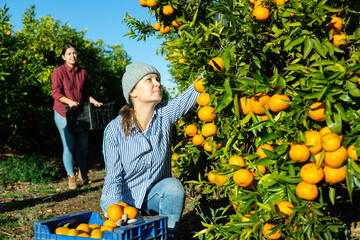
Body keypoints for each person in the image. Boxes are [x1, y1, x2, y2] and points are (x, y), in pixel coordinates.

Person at [100, 62, 201, 238]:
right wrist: (117, 210)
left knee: (173, 187)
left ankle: (167, 235)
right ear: (133, 92)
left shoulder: (165, 114)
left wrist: (221, 58)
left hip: (154, 194)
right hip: (126, 202)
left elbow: (192, 92)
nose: (157, 83)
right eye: (149, 80)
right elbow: (113, 177)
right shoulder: (114, 130)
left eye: (158, 79)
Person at [51, 44, 103, 190]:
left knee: (82, 146)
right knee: (69, 146)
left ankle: (83, 173)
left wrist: (94, 101)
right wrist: (69, 102)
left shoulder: (83, 72)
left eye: (74, 53)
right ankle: (71, 177)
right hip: (63, 113)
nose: (72, 56)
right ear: (63, 57)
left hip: (80, 113)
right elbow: (56, 93)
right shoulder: (58, 72)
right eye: (69, 54)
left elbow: (85, 94)